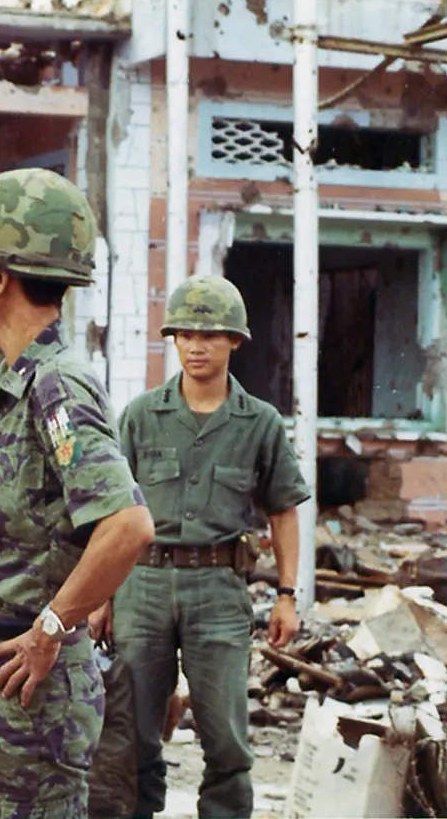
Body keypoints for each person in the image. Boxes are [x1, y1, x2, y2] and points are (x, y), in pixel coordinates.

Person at [0, 168, 155, 818]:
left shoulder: (58, 385)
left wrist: (51, 629)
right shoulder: (14, 384)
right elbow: (17, 555)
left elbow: (128, 526)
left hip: (37, 696)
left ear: (1, 275)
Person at [96, 274, 308, 819]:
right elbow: (112, 511)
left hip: (219, 591)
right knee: (132, 733)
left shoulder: (259, 422)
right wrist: (101, 596)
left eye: (210, 335)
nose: (195, 345)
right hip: (141, 586)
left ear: (234, 341)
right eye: (185, 333)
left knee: (227, 740)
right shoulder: (141, 415)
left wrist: (287, 594)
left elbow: (283, 510)